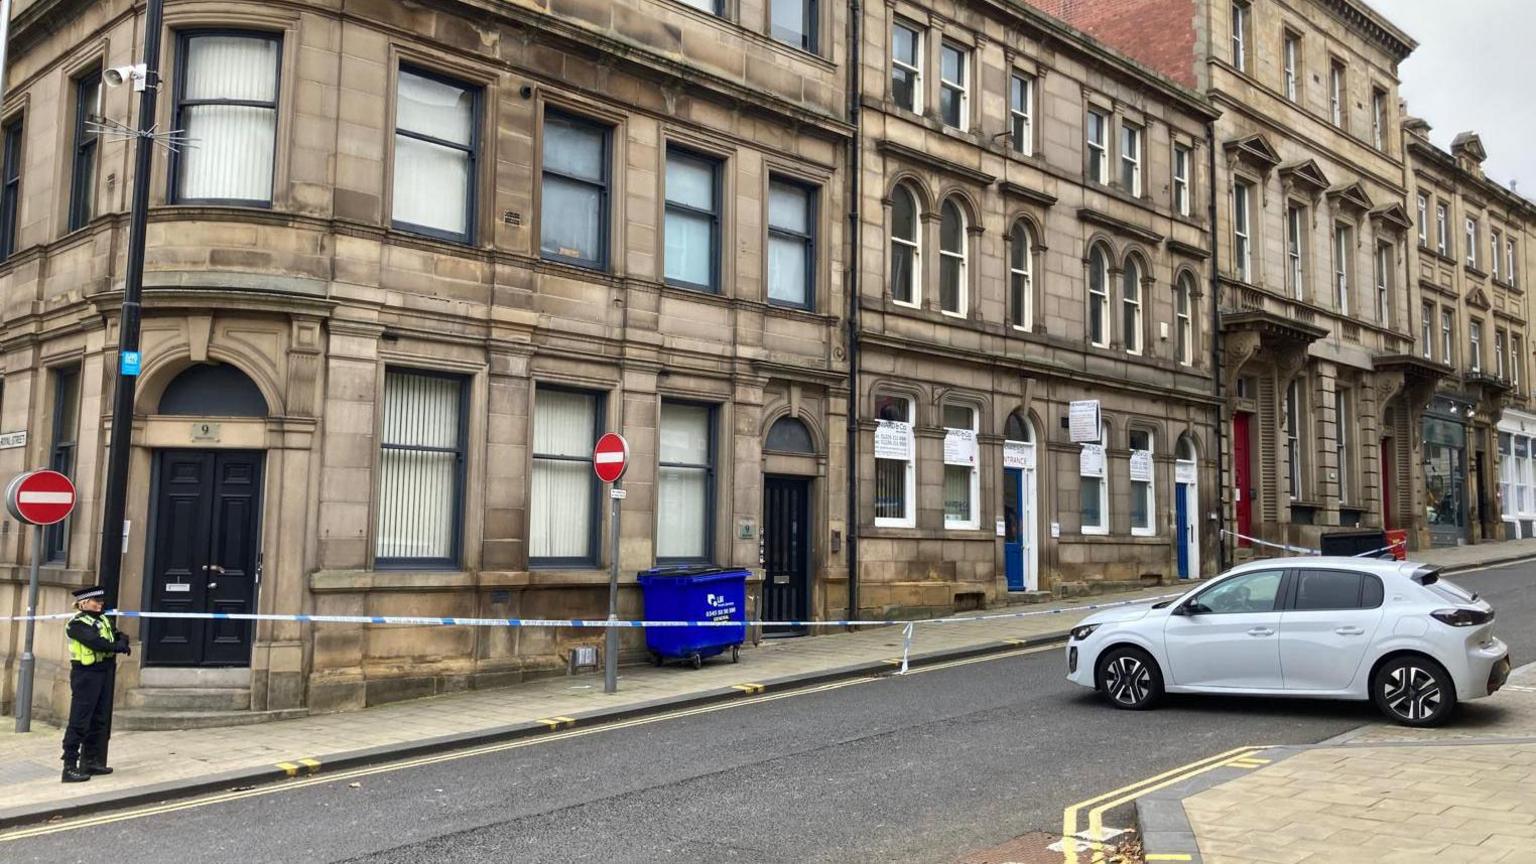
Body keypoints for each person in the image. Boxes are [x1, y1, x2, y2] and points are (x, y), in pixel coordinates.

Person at [61, 585, 129, 783]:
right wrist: (118, 646)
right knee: (79, 720)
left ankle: (90, 761)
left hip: (103, 671)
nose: (100, 604)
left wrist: (122, 642)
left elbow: (119, 635)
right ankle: (69, 766)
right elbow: (97, 643)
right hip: (86, 675)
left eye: (101, 602)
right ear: (84, 603)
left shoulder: (103, 620)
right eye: (96, 601)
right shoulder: (77, 624)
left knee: (99, 718)